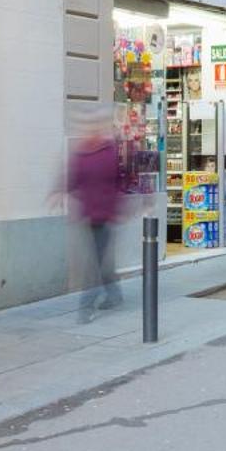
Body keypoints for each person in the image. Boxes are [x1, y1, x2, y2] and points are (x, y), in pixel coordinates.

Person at [66, 114, 125, 320]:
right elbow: (73, 180)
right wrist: (59, 193)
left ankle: (85, 308)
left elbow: (118, 183)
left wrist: (117, 208)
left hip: (105, 215)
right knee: (100, 260)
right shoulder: (82, 155)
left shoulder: (109, 153)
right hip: (89, 215)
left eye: (96, 130)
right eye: (89, 130)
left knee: (94, 263)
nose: (92, 134)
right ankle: (114, 293)